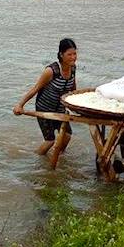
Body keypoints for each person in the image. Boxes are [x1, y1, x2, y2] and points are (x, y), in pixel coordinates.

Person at [13, 38, 77, 168]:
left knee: (67, 136)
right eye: (69, 54)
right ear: (61, 54)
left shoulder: (73, 68)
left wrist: (77, 105)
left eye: (74, 54)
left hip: (60, 109)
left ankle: (58, 157)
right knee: (50, 141)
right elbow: (35, 88)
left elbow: (73, 88)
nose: (73, 57)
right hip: (45, 108)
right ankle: (37, 161)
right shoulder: (51, 71)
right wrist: (20, 105)